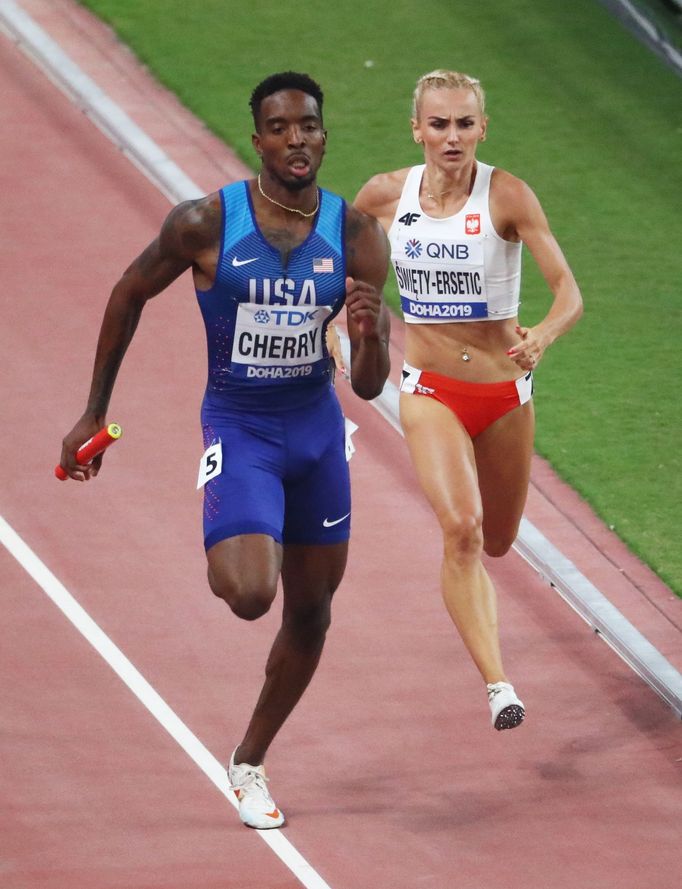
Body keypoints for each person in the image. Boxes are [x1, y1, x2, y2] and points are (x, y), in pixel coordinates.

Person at [60, 71, 390, 828]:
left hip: (315, 431)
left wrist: (370, 338)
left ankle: (248, 761)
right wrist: (93, 411)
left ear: (323, 133)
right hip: (239, 424)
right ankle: (236, 506)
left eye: (308, 125)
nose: (296, 139)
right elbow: (128, 291)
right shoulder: (205, 222)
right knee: (249, 594)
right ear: (258, 140)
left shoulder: (358, 237)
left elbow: (369, 386)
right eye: (279, 127)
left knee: (311, 613)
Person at [354, 70, 582, 730]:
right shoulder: (386, 195)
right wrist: (343, 323)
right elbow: (336, 254)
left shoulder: (506, 195)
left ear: (482, 128)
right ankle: (498, 684)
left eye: (463, 123)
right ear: (416, 128)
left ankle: (492, 651)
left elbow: (568, 288)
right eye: (438, 123)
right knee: (463, 530)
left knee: (502, 541)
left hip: (503, 393)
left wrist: (544, 332)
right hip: (429, 390)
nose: (450, 136)